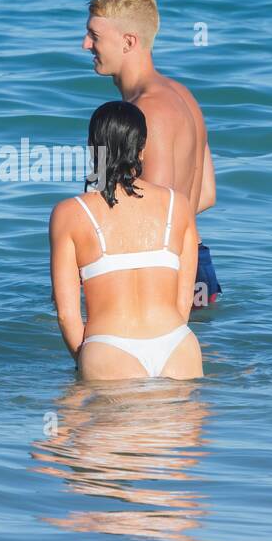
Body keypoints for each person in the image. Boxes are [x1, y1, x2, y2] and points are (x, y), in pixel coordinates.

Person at [83, 0, 221, 306]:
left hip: (158, 268)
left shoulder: (147, 111)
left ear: (128, 41)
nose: (85, 44)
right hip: (193, 261)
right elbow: (207, 195)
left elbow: (152, 210)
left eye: (94, 36)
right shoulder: (184, 96)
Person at [49, 101, 202, 380]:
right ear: (142, 148)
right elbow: (183, 304)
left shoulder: (69, 213)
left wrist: (88, 359)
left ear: (92, 148)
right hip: (178, 345)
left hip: (109, 349)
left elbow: (66, 315)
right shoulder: (178, 206)